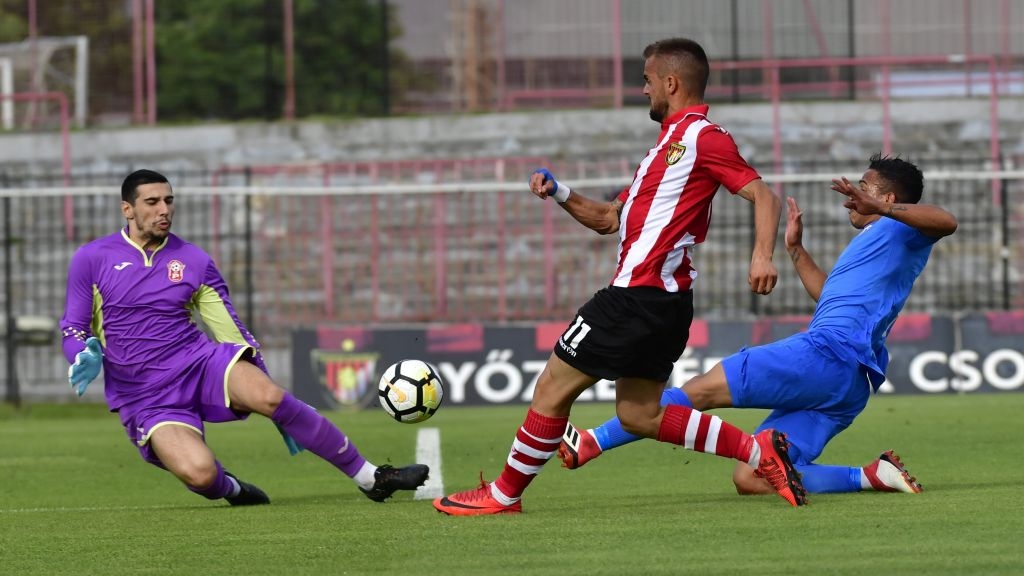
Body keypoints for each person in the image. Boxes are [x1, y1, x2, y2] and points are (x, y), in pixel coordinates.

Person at [433, 37, 806, 516]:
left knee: (552, 387)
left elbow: (764, 195)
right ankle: (760, 452)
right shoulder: (664, 151)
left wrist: (762, 255)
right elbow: (611, 219)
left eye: (648, 80)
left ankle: (503, 495)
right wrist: (560, 191)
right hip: (664, 303)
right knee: (639, 414)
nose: (643, 88)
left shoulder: (702, 136)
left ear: (670, 83)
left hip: (635, 296)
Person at [559, 154, 957, 497]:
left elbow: (947, 220)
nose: (854, 194)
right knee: (752, 476)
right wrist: (797, 252)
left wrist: (883, 209)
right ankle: (870, 476)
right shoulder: (879, 243)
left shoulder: (902, 229)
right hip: (849, 385)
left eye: (865, 186)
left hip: (825, 355)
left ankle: (592, 442)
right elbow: (829, 298)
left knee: (700, 391)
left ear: (887, 198)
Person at [61, 169, 429, 506]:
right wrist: (81, 353)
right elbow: (73, 328)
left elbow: (231, 329)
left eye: (169, 201)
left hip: (198, 363)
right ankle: (233, 488)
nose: (164, 210)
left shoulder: (193, 259)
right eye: (152, 202)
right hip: (144, 394)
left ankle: (372, 477)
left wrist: (275, 402)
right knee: (200, 474)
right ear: (127, 208)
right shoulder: (92, 259)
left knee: (269, 396)